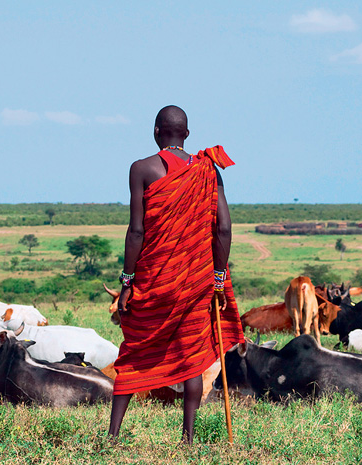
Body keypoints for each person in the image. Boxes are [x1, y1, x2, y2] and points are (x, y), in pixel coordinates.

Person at [108, 105, 245, 444]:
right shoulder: (209, 171)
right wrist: (216, 278)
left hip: (155, 282)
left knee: (135, 351)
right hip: (197, 283)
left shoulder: (141, 169)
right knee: (192, 356)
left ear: (156, 131)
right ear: (187, 134)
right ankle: (188, 438)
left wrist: (127, 282)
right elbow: (224, 229)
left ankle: (111, 436)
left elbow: (136, 231)